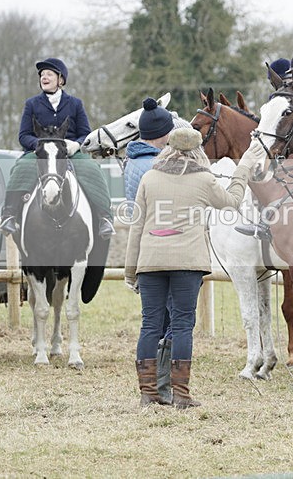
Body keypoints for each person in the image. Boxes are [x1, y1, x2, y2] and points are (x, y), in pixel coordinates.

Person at [125, 128, 267, 408]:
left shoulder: (149, 178)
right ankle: (180, 394)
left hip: (151, 261)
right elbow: (233, 203)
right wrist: (243, 168)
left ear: (169, 148)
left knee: (150, 325)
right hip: (187, 263)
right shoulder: (204, 179)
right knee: (181, 326)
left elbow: (136, 227)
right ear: (197, 150)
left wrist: (131, 271)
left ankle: (148, 392)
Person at [0, 58, 115, 239]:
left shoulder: (75, 103)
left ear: (61, 79)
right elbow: (23, 136)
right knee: (20, 167)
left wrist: (76, 144)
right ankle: (9, 215)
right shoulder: (32, 104)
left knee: (92, 168)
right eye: (42, 75)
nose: (44, 77)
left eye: (49, 74)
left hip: (69, 152)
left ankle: (105, 218)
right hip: (41, 153)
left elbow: (85, 134)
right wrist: (40, 146)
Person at [123, 96, 175, 405]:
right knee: (170, 321)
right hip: (163, 245)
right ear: (163, 134)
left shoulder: (133, 159)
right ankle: (162, 386)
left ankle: (149, 389)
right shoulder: (156, 164)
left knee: (150, 320)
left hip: (142, 248)